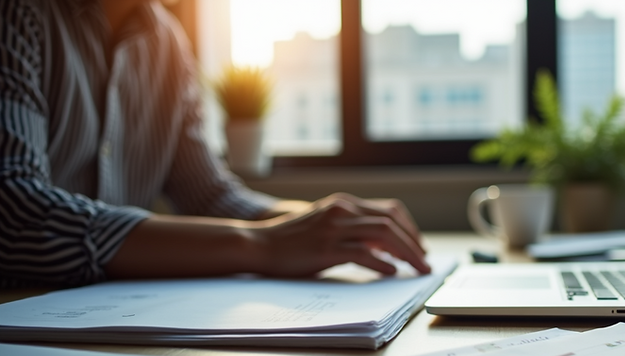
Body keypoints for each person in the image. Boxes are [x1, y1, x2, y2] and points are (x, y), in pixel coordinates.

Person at [0, 0, 431, 289]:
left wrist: (332, 222)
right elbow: (15, 207)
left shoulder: (167, 41)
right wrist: (262, 244)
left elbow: (207, 194)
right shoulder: (18, 15)